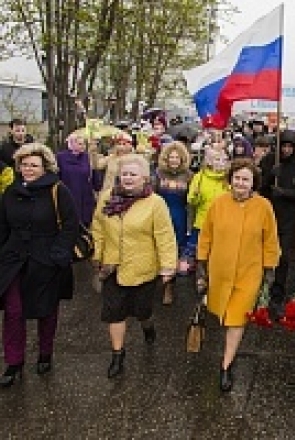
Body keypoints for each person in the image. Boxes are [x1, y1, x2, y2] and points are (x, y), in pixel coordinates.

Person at [196, 159, 280, 392]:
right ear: (230, 179)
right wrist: (201, 265)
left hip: (248, 273)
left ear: (254, 183)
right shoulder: (218, 204)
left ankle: (226, 365)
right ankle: (227, 355)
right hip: (219, 271)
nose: (240, 183)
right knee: (221, 313)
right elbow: (206, 236)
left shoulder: (264, 207)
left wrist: (269, 270)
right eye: (237, 178)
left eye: (246, 179)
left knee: (236, 319)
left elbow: (270, 241)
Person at [91, 154, 176, 378]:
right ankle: (117, 355)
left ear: (144, 178)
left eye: (133, 174)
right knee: (114, 312)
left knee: (142, 311)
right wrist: (97, 255)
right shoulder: (107, 197)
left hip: (142, 268)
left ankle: (148, 326)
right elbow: (98, 227)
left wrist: (168, 266)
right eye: (125, 174)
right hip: (112, 267)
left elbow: (165, 236)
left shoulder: (155, 203)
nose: (128, 178)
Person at [0, 143, 77, 387]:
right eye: (24, 165)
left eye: (33, 165)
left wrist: (59, 254)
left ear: (45, 167)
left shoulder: (57, 190)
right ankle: (14, 362)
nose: (28, 169)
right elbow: (2, 226)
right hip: (14, 258)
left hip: (46, 258)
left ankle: (45, 353)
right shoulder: (10, 192)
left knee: (46, 309)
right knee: (13, 311)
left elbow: (70, 224)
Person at [259, 130, 295, 318]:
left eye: (290, 147)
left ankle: (277, 295)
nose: (286, 150)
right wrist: (270, 176)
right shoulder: (270, 160)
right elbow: (260, 188)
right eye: (284, 146)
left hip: (288, 218)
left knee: (283, 257)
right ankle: (261, 290)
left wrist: (284, 192)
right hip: (268, 214)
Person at [153, 141, 193, 304]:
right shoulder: (157, 174)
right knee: (157, 248)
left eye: (177, 157)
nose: (174, 160)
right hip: (160, 215)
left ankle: (169, 287)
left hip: (180, 217)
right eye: (171, 157)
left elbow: (191, 201)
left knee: (175, 251)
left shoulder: (190, 176)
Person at [183, 147, 231, 270]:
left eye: (224, 160)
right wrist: (196, 195)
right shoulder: (199, 177)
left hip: (223, 225)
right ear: (209, 162)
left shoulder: (229, 179)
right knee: (198, 256)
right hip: (201, 223)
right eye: (217, 159)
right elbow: (191, 201)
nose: (222, 162)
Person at [56, 133, 96, 226]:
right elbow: (57, 175)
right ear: (71, 144)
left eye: (84, 144)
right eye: (80, 144)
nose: (83, 146)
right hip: (69, 191)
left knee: (85, 221)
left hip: (85, 194)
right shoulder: (61, 157)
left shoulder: (87, 157)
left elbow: (92, 174)